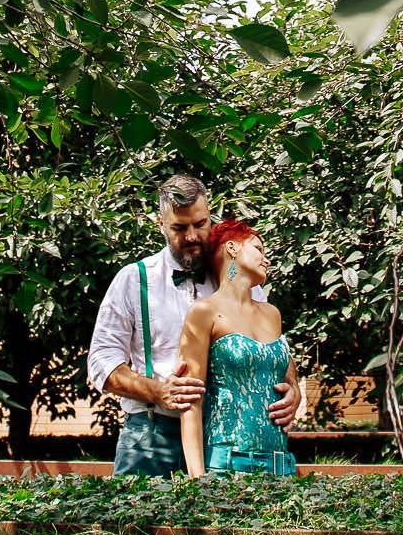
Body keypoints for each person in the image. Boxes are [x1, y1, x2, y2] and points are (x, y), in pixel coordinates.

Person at [86, 175, 298, 476]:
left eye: (199, 224)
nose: (192, 236)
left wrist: (292, 388)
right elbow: (101, 364)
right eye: (179, 228)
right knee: (140, 523)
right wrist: (158, 391)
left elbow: (272, 349)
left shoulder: (244, 282)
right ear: (161, 224)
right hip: (152, 435)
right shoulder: (134, 279)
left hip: (223, 439)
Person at [176, 219, 300, 478]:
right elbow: (191, 400)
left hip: (280, 465)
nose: (266, 260)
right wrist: (197, 480)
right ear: (232, 248)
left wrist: (294, 390)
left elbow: (285, 372)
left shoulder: (272, 314)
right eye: (258, 248)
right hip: (226, 466)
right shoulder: (204, 312)